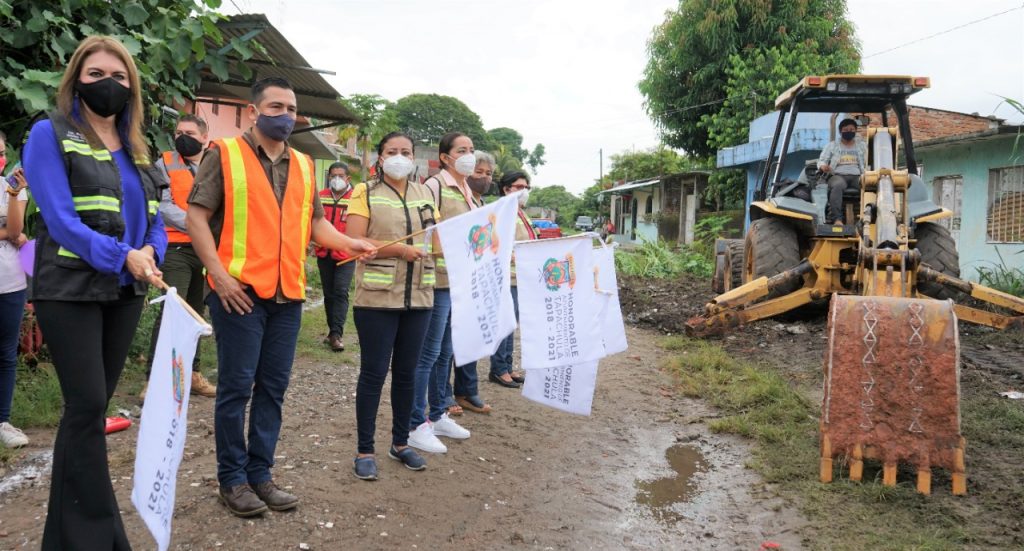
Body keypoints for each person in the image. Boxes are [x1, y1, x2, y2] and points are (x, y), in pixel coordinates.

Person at [186, 77, 375, 517]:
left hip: (287, 293)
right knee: (235, 388)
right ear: (253, 111)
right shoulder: (225, 155)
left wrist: (350, 244)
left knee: (273, 388)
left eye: (291, 109)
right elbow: (197, 217)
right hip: (238, 293)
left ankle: (261, 474)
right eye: (275, 106)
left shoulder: (307, 166)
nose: (285, 115)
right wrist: (218, 275)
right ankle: (231, 480)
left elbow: (316, 226)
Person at [23, 35, 167, 550]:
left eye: (119, 76)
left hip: (125, 290)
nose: (109, 84)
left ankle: (67, 539)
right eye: (96, 75)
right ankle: (102, 538)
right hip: (71, 288)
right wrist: (120, 254)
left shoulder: (140, 148)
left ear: (132, 86)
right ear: (75, 82)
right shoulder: (50, 134)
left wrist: (150, 253)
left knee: (89, 411)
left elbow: (156, 219)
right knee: (86, 406)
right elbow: (60, 220)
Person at [346, 131, 438, 480]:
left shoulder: (425, 193)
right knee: (373, 374)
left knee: (407, 374)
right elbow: (356, 241)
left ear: (414, 157)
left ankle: (400, 443)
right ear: (380, 158)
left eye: (406, 151)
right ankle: (364, 449)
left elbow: (438, 239)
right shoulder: (364, 192)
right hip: (376, 298)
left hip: (419, 297)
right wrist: (399, 250)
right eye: (392, 151)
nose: (399, 156)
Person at [406, 132, 478, 456]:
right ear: (445, 157)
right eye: (462, 150)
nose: (469, 155)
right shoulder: (434, 186)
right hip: (438, 281)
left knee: (446, 351)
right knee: (429, 352)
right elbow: (426, 232)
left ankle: (437, 414)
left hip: (461, 281)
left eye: (471, 150)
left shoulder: (469, 191)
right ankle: (415, 422)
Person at [140, 114, 216, 400]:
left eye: (190, 132)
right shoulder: (165, 163)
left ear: (204, 136)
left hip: (206, 251)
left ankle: (192, 374)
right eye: (179, 131)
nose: (183, 136)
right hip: (177, 249)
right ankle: (154, 379)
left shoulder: (215, 162)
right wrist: (198, 225)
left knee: (197, 313)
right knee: (173, 312)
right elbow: (162, 206)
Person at [489, 171, 533, 388]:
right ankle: (498, 369)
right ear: (506, 189)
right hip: (507, 277)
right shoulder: (502, 211)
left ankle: (507, 365)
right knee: (504, 324)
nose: (523, 191)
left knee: (512, 324)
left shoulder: (520, 213)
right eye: (518, 186)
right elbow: (495, 244)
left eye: (526, 187)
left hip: (519, 277)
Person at [0, 133, 29, 449]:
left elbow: (16, 230)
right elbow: (7, 232)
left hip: (10, 282)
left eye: (3, 152)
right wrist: (5, 233)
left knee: (7, 354)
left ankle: (2, 420)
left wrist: (12, 193)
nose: (2, 158)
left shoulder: (13, 187)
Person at [315, 161, 355, 352]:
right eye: (333, 175)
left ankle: (337, 334)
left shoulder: (356, 198)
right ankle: (332, 332)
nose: (336, 179)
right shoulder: (321, 197)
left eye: (340, 175)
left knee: (340, 291)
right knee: (329, 294)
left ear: (348, 178)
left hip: (346, 254)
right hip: (324, 253)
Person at [817, 118, 867, 225]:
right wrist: (823, 166)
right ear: (840, 131)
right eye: (846, 129)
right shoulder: (832, 145)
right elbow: (822, 160)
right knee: (837, 185)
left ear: (855, 131)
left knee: (868, 186)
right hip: (838, 175)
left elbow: (870, 160)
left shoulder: (862, 146)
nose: (849, 131)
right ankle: (837, 219)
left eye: (851, 129)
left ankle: (868, 218)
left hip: (857, 175)